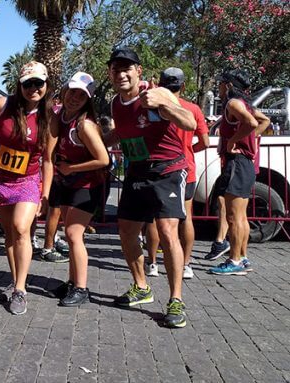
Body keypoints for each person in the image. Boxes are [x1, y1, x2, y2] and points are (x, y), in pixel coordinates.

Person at [103, 47, 196, 328]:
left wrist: (162, 104)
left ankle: (176, 300)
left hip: (168, 170)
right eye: (116, 69)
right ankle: (141, 287)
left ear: (138, 71)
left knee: (168, 231)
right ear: (110, 73)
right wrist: (92, 143)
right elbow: (122, 132)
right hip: (137, 170)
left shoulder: (157, 93)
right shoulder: (115, 104)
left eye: (127, 68)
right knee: (127, 231)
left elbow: (189, 122)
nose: (121, 74)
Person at [0, 61, 55, 315]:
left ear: (46, 85)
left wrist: (45, 194)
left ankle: (21, 289)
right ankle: (15, 282)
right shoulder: (3, 106)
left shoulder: (49, 117)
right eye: (28, 84)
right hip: (0, 179)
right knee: (10, 234)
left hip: (29, 180)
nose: (33, 88)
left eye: (38, 83)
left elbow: (48, 160)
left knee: (22, 229)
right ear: (20, 86)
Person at [144, 68, 210, 279]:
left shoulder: (156, 107)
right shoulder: (193, 109)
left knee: (155, 219)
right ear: (182, 86)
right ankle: (186, 264)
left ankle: (152, 263)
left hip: (161, 167)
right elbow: (205, 142)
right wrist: (190, 150)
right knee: (186, 218)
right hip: (186, 169)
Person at [51, 72, 109, 306]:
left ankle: (82, 288)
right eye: (72, 92)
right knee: (69, 233)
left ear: (88, 100)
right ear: (65, 91)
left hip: (87, 184)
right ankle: (72, 281)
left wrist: (72, 168)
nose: (75, 98)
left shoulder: (84, 125)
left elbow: (103, 159)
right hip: (67, 182)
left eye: (81, 95)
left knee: (74, 235)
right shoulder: (60, 115)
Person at [209, 69, 269, 276]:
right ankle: (242, 258)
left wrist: (235, 141)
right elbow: (261, 122)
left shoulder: (233, 104)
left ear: (229, 85)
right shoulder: (246, 106)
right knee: (240, 216)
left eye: (222, 84)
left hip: (237, 163)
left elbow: (253, 123)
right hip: (244, 164)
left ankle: (234, 260)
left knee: (234, 217)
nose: (219, 88)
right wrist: (248, 139)